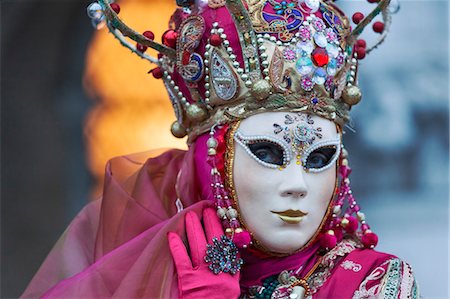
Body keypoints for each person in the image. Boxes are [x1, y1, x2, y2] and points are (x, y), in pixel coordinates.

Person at [22, 0, 419, 298]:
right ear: (208, 164)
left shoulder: (372, 284)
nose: (297, 185)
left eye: (319, 158)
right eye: (267, 153)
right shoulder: (155, 275)